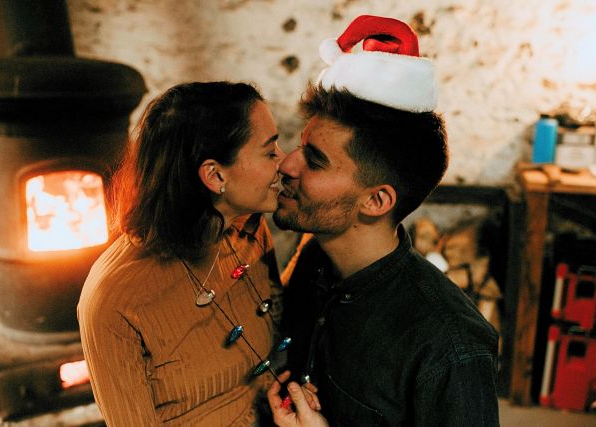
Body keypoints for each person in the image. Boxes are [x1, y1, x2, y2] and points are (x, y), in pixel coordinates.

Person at [267, 15, 500, 426]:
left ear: (376, 201)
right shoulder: (314, 259)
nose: (287, 165)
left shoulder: (449, 346)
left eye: (315, 161)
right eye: (300, 146)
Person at [77, 81, 287, 426]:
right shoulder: (113, 301)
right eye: (269, 152)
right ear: (215, 175)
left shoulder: (248, 230)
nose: (285, 161)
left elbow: (274, 340)